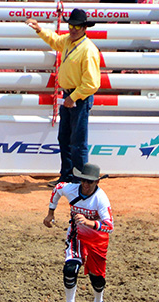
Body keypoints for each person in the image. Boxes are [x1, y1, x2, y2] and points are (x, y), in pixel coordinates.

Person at [26, 8, 102, 186]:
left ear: (84, 28)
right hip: (71, 96)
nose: (73, 29)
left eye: (77, 26)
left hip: (78, 98)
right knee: (66, 138)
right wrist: (39, 29)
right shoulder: (69, 41)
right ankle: (68, 176)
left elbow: (92, 84)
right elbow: (55, 40)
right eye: (71, 25)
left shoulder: (88, 50)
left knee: (77, 141)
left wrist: (73, 97)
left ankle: (79, 180)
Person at [44, 162, 113, 302]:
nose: (86, 184)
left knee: (97, 278)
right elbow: (57, 188)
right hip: (77, 236)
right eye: (83, 180)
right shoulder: (71, 189)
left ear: (97, 182)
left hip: (97, 240)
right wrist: (50, 213)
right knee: (70, 269)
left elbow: (109, 226)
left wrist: (89, 223)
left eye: (90, 181)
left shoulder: (101, 199)